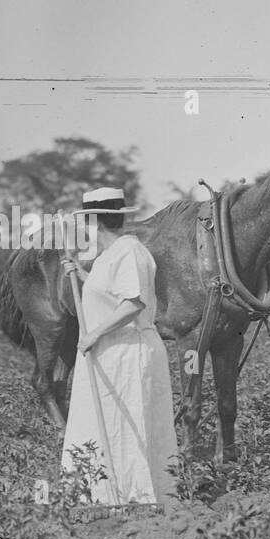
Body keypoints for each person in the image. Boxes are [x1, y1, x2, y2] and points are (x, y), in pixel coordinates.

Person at [59, 187, 178, 506]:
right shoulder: (108, 256)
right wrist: (80, 273)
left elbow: (133, 303)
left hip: (128, 352)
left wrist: (94, 333)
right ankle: (100, 497)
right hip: (106, 354)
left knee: (128, 428)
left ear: (93, 221)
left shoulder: (130, 251)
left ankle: (135, 500)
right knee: (105, 427)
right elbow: (110, 293)